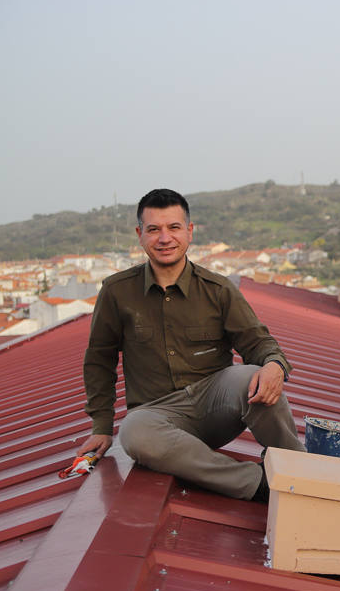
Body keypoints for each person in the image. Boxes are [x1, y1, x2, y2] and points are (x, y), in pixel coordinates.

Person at [79, 189, 306, 501]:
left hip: (215, 406)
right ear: (139, 235)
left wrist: (274, 366)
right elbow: (99, 360)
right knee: (133, 433)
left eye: (173, 228)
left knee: (254, 375)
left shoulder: (218, 289)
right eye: (153, 229)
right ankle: (258, 484)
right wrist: (101, 426)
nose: (164, 238)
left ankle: (301, 474)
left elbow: (258, 341)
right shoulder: (117, 292)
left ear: (189, 231)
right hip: (157, 413)